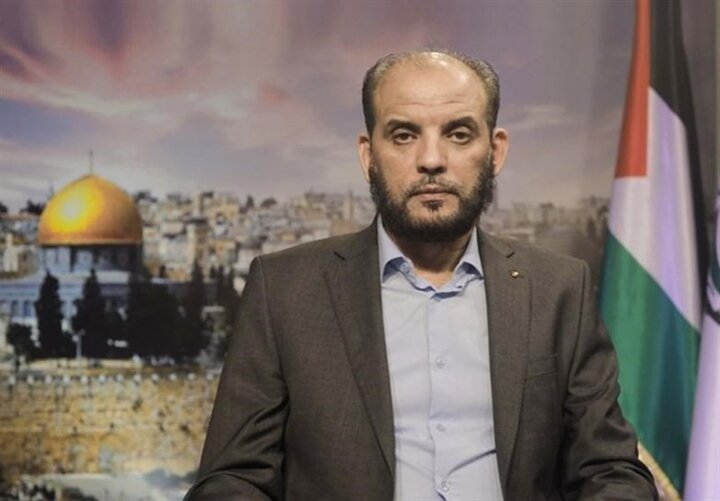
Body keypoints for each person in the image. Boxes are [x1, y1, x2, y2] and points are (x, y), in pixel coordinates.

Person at [186, 50, 657, 500]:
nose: (431, 160)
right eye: (404, 135)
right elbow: (233, 479)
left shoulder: (558, 288)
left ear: (495, 152)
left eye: (459, 134)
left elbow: (609, 470)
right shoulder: (286, 290)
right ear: (368, 155)